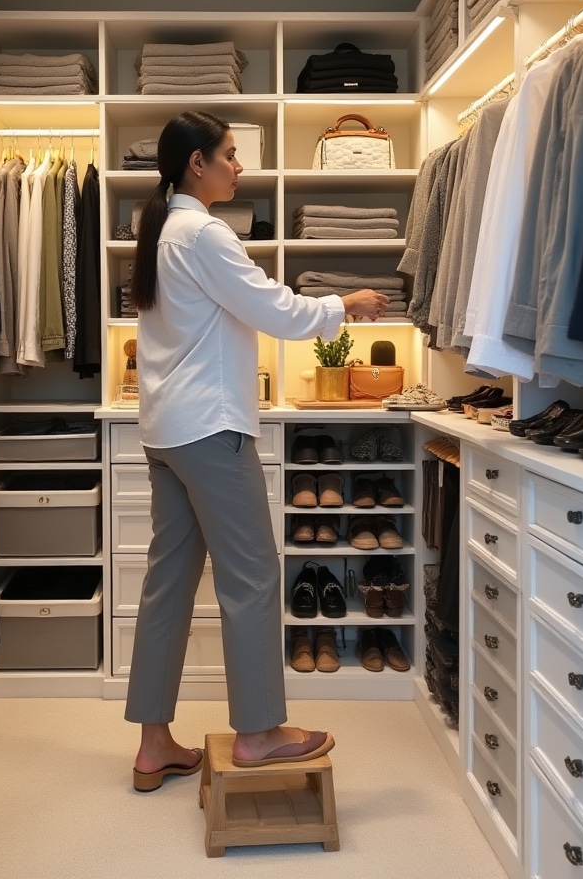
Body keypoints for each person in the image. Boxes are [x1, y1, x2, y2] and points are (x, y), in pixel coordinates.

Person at [125, 110, 389, 792]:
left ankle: (154, 744)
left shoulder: (156, 229)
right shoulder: (205, 233)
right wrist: (344, 302)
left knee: (169, 584)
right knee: (252, 579)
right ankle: (260, 733)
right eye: (230, 155)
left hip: (164, 431)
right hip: (210, 428)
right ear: (196, 164)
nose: (239, 166)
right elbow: (275, 309)